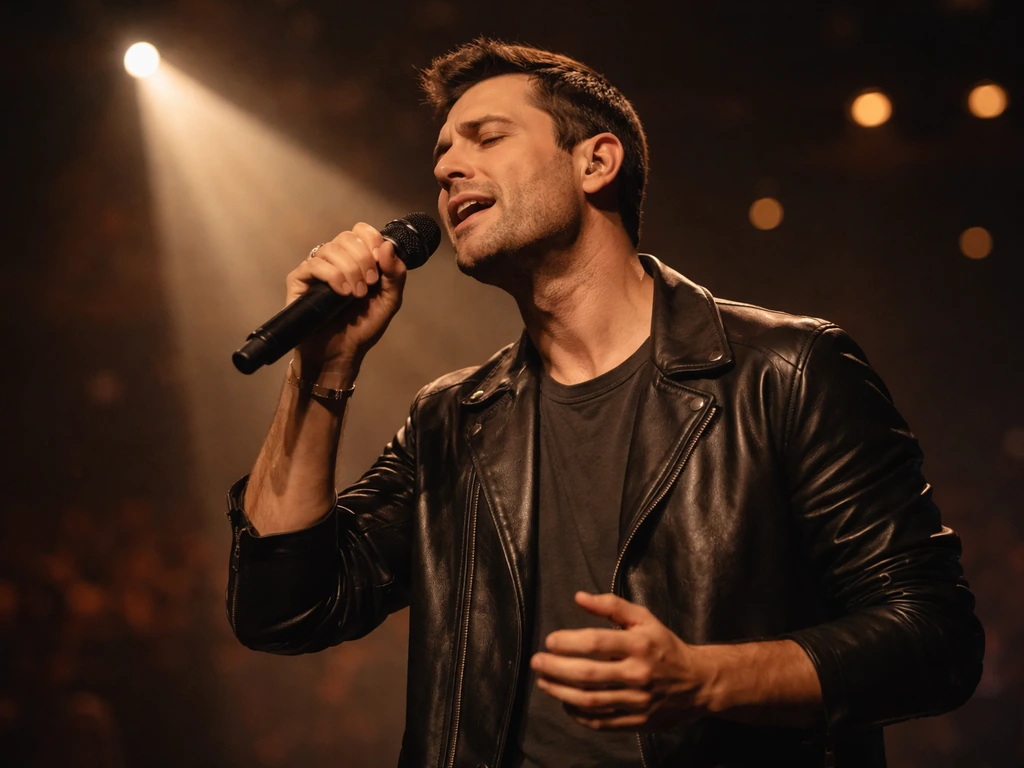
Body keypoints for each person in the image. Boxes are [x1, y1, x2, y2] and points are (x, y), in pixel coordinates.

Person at [226, 39, 984, 767]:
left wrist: (704, 678)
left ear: (596, 162)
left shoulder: (785, 372)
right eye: (441, 156)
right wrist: (318, 372)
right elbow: (285, 611)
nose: (449, 167)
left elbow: (934, 637)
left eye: (485, 138)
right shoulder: (451, 419)